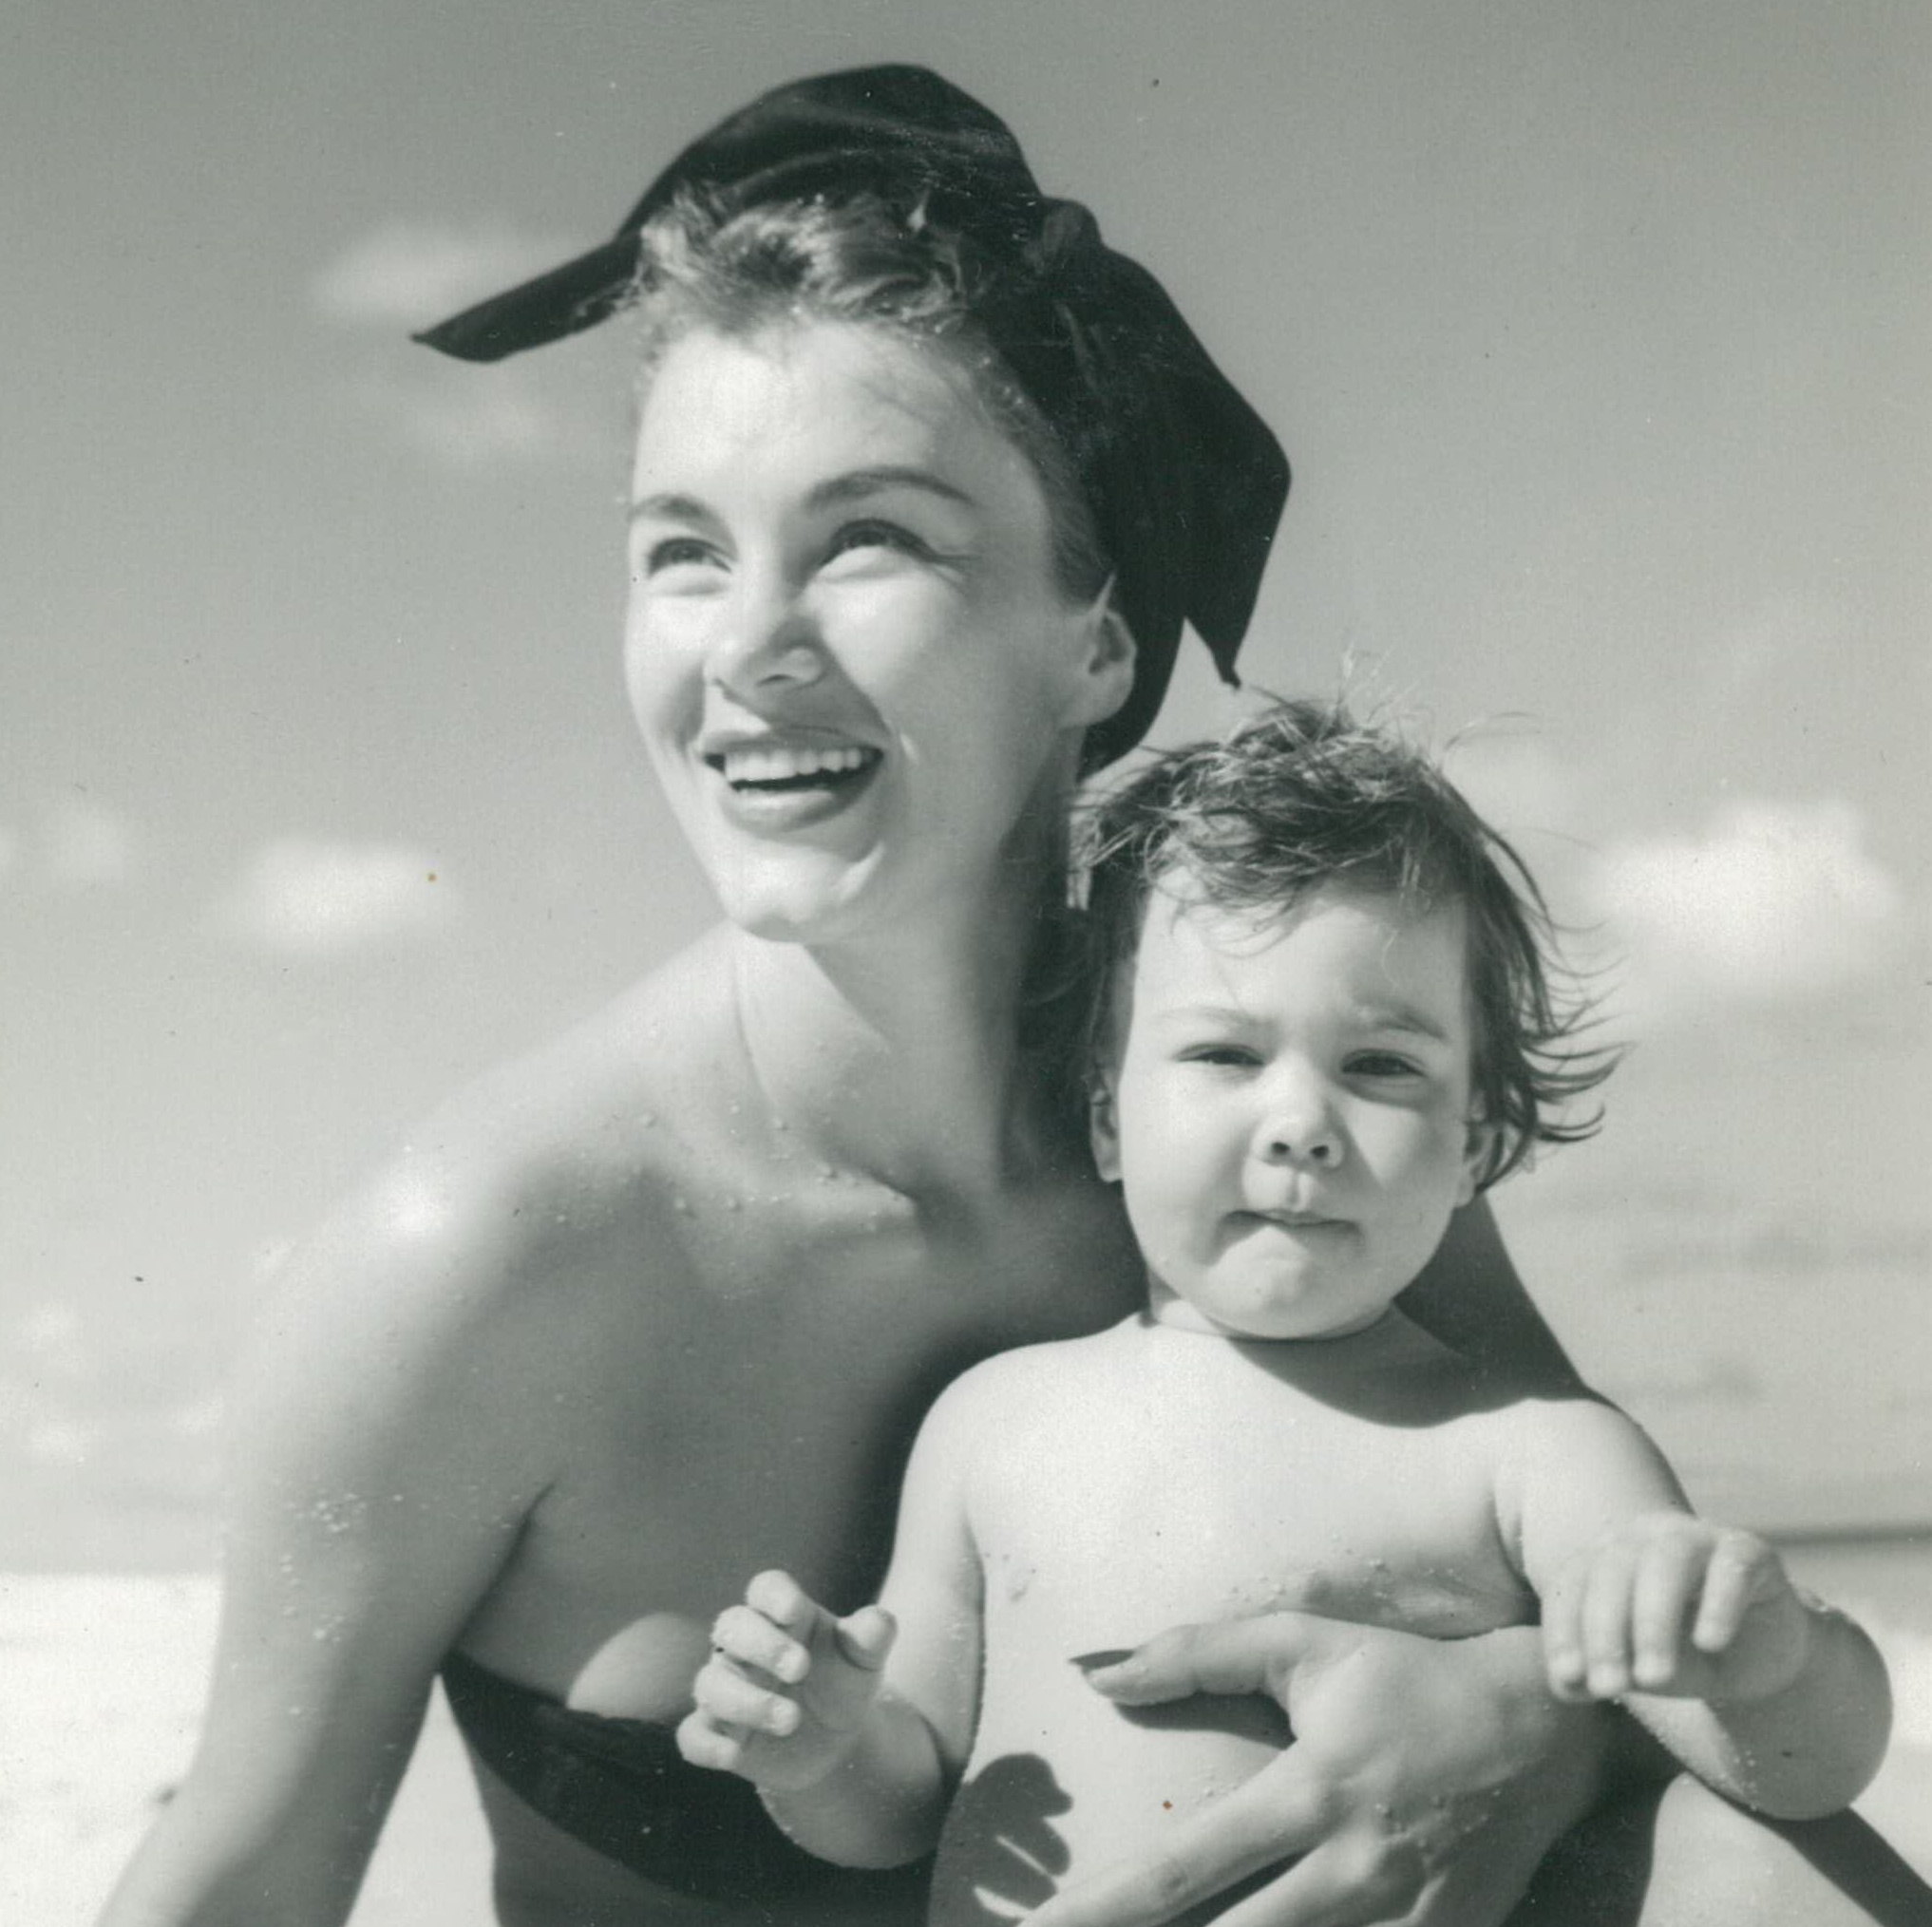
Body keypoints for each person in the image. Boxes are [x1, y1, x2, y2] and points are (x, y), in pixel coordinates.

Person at [99, 64, 1924, 1927]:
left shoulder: (1266, 1102)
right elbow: (242, 1872)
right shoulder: (482, 1257)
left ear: (1097, 640)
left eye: (866, 537)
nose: (749, 645)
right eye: (682, 552)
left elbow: (1636, 1605)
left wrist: (1518, 1715)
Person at [680, 700, 1895, 1921]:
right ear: (1107, 1118)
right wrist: (823, 1748)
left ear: (1475, 1146)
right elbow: (904, 1796)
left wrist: (1774, 1662)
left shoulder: (1534, 1450)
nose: (1302, 1123)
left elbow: (1797, 1775)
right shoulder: (991, 1421)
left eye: (1381, 1065)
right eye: (1224, 1056)